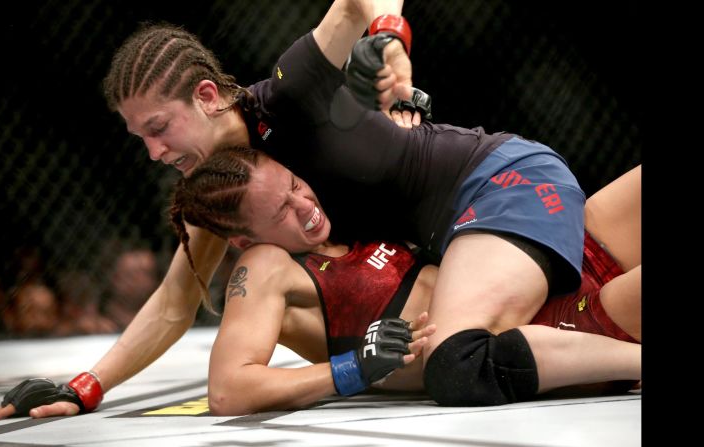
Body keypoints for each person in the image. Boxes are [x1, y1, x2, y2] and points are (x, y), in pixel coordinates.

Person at [0, 0, 638, 420]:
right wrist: (87, 384)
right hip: (471, 233)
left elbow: (354, 2)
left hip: (493, 183)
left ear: (207, 96)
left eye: (158, 129)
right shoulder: (221, 197)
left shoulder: (292, 93)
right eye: (139, 139)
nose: (152, 153)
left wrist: (391, 36)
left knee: (459, 359)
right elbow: (176, 301)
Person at [168, 147, 639, 415]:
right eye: (281, 212)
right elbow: (229, 390)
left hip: (551, 255)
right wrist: (353, 369)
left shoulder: (341, 217)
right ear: (243, 239)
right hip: (545, 335)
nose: (305, 206)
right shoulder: (267, 265)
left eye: (294, 185)